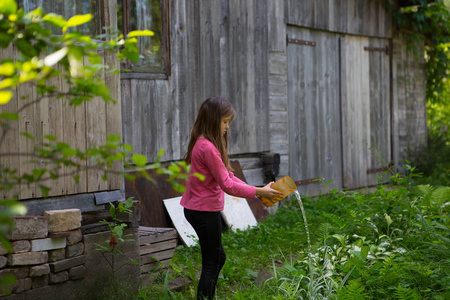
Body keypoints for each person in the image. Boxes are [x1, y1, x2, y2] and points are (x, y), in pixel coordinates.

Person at [180, 96, 283, 299]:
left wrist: (258, 188)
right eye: (225, 122)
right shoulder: (207, 147)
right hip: (202, 211)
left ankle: (208, 295)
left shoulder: (205, 143)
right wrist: (259, 192)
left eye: (229, 122)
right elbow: (227, 185)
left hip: (200, 209)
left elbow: (228, 176)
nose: (227, 127)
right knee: (212, 261)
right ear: (213, 120)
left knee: (218, 257)